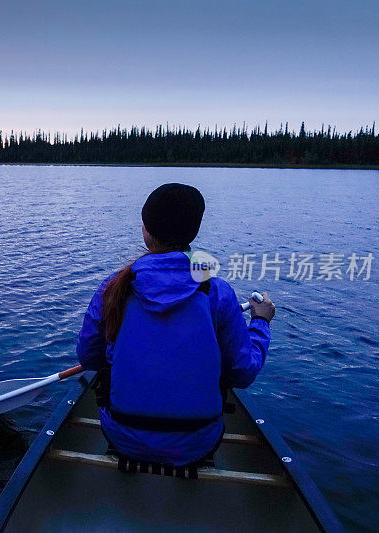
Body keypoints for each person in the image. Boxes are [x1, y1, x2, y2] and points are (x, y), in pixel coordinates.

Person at [76, 183, 276, 466]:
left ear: (145, 230)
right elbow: (242, 374)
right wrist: (260, 322)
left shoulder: (113, 287)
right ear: (193, 233)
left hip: (122, 436)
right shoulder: (216, 292)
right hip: (198, 443)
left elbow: (88, 358)